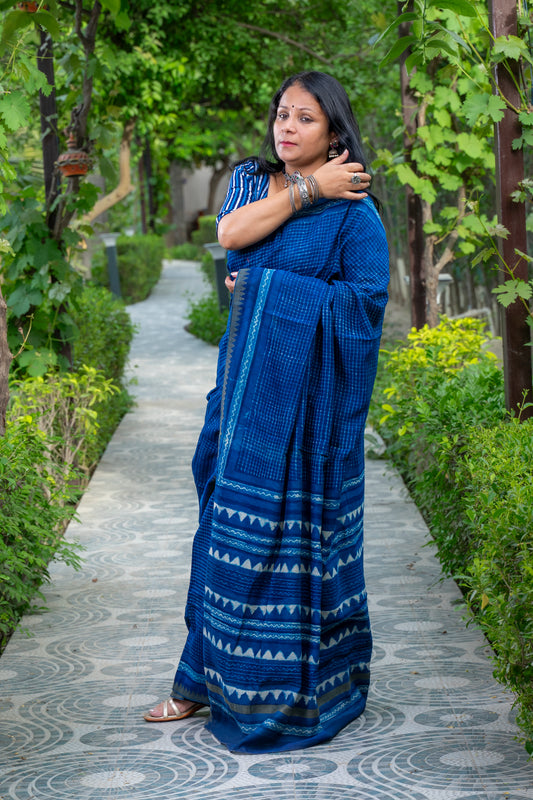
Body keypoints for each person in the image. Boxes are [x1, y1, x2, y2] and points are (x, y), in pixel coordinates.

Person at [144, 70, 389, 754]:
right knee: (223, 533)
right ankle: (200, 683)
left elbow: (364, 310)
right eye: (282, 114)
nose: (287, 127)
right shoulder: (253, 182)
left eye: (304, 119)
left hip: (309, 422)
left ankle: (302, 689)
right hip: (242, 398)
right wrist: (308, 188)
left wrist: (262, 289)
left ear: (333, 132)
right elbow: (231, 232)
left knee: (297, 549)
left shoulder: (356, 213)